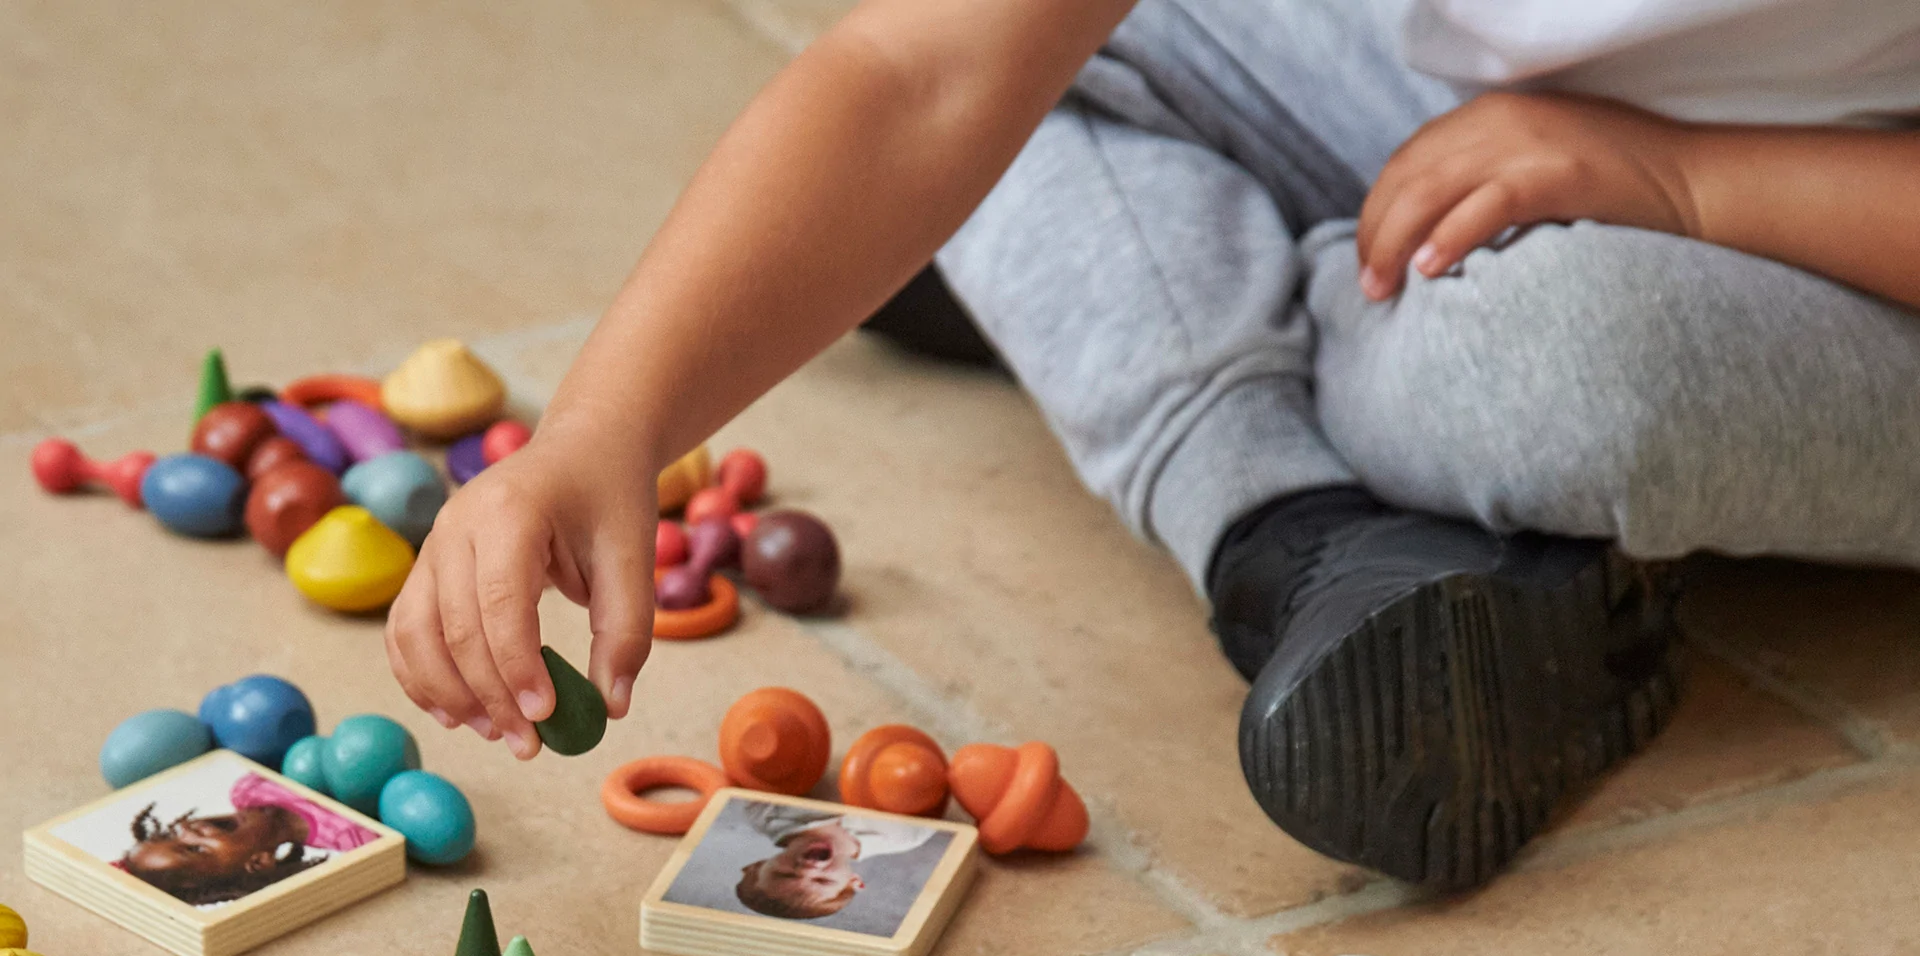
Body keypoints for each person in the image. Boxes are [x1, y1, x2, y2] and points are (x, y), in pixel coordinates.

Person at [379, 0, 1920, 893]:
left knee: (1549, 361)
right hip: (1473, 112)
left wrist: (1686, 180)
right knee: (1011, 86)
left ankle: (1196, 289)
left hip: (1842, 217)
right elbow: (926, 73)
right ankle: (1298, 529)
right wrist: (599, 429)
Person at [116, 771, 378, 907]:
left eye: (170, 834)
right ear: (259, 863)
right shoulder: (352, 836)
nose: (189, 828)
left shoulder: (248, 789)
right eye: (194, 849)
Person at [727, 802, 941, 922]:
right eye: (822, 881)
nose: (808, 869)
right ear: (854, 881)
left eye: (785, 874)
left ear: (756, 865)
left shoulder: (763, 812)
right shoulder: (903, 836)